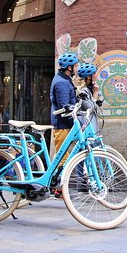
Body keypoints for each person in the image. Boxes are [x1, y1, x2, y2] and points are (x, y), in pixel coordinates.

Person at [50, 53, 79, 198]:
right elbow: (64, 107)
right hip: (62, 125)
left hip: (64, 125)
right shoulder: (61, 83)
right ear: (69, 67)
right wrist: (76, 121)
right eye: (75, 66)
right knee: (63, 157)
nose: (77, 68)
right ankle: (60, 189)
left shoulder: (65, 80)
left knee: (62, 155)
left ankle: (59, 188)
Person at [74, 62, 100, 132]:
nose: (96, 75)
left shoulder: (88, 89)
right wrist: (95, 93)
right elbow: (90, 108)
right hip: (87, 127)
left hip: (91, 125)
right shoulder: (82, 91)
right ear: (88, 77)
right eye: (94, 73)